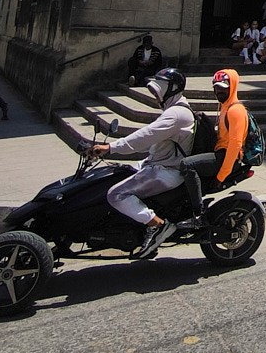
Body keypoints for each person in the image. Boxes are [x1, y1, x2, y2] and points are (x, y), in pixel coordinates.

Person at [90, 67, 194, 259]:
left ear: (171, 89)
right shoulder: (173, 108)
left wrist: (111, 148)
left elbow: (145, 136)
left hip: (167, 172)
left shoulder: (177, 114)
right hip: (155, 163)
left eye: (158, 90)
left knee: (116, 194)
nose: (155, 95)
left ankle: (157, 225)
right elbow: (153, 143)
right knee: (115, 173)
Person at [179, 67, 249, 226]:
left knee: (187, 165)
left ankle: (198, 215)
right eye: (216, 88)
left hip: (226, 158)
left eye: (223, 89)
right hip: (220, 153)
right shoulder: (224, 106)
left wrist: (221, 176)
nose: (219, 92)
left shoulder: (235, 110)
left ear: (232, 87)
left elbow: (235, 145)